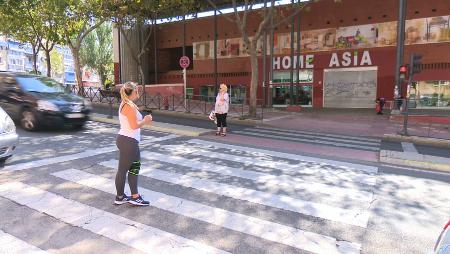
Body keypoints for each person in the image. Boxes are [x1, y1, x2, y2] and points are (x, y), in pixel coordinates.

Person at [115, 82, 153, 206]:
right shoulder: (128, 106)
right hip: (128, 141)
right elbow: (134, 126)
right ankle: (120, 197)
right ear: (132, 92)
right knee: (123, 170)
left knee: (134, 167)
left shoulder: (127, 104)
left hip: (128, 141)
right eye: (137, 90)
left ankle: (134, 196)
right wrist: (145, 121)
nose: (138, 92)